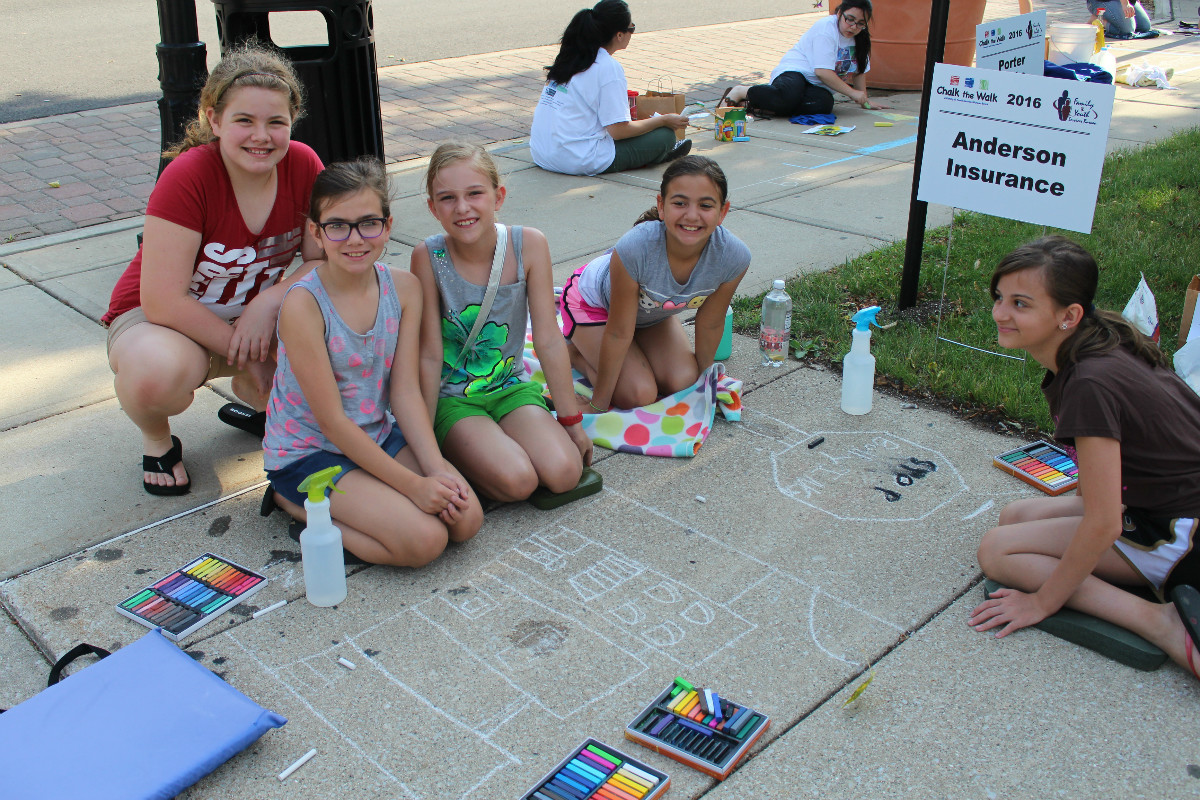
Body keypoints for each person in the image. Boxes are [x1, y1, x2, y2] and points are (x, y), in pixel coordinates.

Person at [968, 236, 1200, 681]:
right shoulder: (1097, 339)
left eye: (1020, 303)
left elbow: (1103, 522)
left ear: (1068, 315)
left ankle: (1158, 620)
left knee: (997, 551)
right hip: (1157, 501)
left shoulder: (1090, 383)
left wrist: (1042, 602)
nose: (1000, 313)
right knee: (1013, 516)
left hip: (1177, 530)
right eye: (999, 297)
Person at [102, 43, 324, 496]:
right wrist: (254, 353)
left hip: (252, 316)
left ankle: (266, 407)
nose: (261, 135)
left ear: (291, 124)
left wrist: (267, 301)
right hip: (163, 321)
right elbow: (163, 299)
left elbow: (321, 262)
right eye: (244, 120)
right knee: (154, 374)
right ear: (213, 119)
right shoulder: (189, 175)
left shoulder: (303, 165)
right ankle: (158, 439)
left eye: (275, 122)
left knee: (342, 357)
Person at [263, 158, 482, 567]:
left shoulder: (404, 288)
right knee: (424, 542)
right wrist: (414, 487)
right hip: (310, 452)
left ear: (388, 225)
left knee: (466, 519)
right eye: (337, 225)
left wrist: (433, 469)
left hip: (376, 434)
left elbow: (403, 391)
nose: (354, 238)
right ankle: (291, 502)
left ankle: (373, 497)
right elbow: (332, 423)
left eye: (368, 223)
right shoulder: (304, 306)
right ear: (316, 231)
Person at [411, 143, 592, 503]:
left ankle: (493, 448)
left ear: (499, 196)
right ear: (433, 207)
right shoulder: (428, 257)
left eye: (475, 193)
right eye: (447, 198)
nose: (462, 208)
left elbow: (549, 339)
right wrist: (425, 447)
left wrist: (571, 422)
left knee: (565, 472)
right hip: (454, 398)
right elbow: (429, 355)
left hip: (509, 387)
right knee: (518, 481)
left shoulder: (529, 245)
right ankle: (471, 452)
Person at [559, 155, 750, 411]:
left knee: (683, 381)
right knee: (638, 394)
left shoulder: (733, 257)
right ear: (661, 206)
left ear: (722, 212)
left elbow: (712, 322)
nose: (692, 216)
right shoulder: (636, 249)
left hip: (649, 315)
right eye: (680, 203)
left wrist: (705, 385)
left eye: (705, 205)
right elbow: (619, 332)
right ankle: (576, 355)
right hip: (592, 305)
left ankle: (637, 353)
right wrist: (599, 403)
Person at [530, 0, 691, 176]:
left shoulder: (572, 54)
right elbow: (618, 131)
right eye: (632, 28)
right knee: (665, 136)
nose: (632, 33)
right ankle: (659, 153)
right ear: (620, 35)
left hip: (542, 153)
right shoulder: (608, 67)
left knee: (641, 126)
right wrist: (663, 120)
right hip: (577, 159)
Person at [722, 0, 886, 117]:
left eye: (860, 23)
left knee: (823, 105)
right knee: (789, 97)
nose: (853, 26)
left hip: (817, 86)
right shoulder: (826, 28)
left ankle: (754, 105)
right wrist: (853, 93)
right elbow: (822, 71)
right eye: (849, 19)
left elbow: (859, 71)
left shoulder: (861, 37)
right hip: (796, 72)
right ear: (839, 13)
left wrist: (863, 99)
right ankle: (742, 91)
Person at [1088, 0, 1156, 40]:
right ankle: (1100, 18)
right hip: (1101, 1)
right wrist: (1125, 4)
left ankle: (1106, 15)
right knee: (1127, 30)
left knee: (1144, 26)